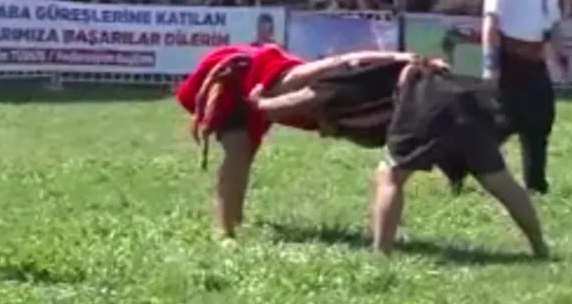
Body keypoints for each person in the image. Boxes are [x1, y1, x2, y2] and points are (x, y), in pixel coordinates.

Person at [250, 60, 552, 258]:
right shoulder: (374, 87)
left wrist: (261, 102)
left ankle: (381, 254)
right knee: (499, 181)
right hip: (461, 101)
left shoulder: (334, 87)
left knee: (389, 176)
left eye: (321, 128)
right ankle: (540, 249)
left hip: (426, 101)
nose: (323, 133)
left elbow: (300, 99)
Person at [175, 44, 427, 238]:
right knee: (239, 151)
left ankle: (234, 218)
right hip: (238, 80)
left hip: (266, 92)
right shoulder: (306, 81)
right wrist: (397, 57)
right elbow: (345, 60)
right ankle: (224, 231)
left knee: (246, 150)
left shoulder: (358, 104)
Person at [481, 0, 567, 195]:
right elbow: (490, 22)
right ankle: (462, 160)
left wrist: (560, 54)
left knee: (541, 119)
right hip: (509, 58)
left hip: (536, 59)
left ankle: (536, 183)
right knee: (501, 123)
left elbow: (551, 23)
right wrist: (490, 65)